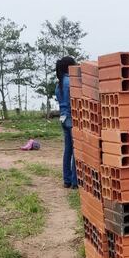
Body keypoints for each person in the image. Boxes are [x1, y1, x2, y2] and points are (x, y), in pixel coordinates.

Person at [55, 56, 77, 188]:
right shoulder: (70, 81)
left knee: (67, 150)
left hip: (63, 118)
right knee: (76, 150)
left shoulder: (59, 84)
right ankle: (75, 182)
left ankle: (67, 180)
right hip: (71, 118)